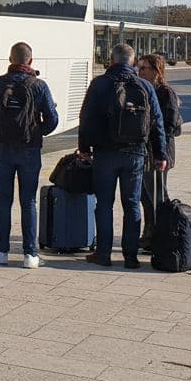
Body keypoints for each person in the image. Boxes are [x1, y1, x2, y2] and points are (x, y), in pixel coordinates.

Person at [77, 43, 167, 269]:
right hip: (135, 153)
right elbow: (157, 122)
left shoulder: (99, 84)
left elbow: (86, 118)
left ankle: (103, 254)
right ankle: (130, 256)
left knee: (104, 204)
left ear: (112, 59)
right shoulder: (145, 86)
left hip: (105, 152)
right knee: (132, 204)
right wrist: (160, 154)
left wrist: (84, 148)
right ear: (133, 61)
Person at [0, 42, 59, 268]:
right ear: (30, 61)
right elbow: (52, 120)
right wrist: (36, 132)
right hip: (29, 149)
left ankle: (2, 252)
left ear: (10, 60)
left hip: (1, 148)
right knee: (29, 201)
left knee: (4, 200)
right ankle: (30, 255)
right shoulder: (39, 85)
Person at [135, 53, 182, 247]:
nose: (140, 71)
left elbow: (169, 125)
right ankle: (150, 232)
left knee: (157, 195)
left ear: (156, 71)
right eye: (139, 68)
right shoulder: (144, 90)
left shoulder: (165, 93)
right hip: (147, 152)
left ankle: (162, 235)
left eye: (144, 68)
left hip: (159, 152)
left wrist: (157, 145)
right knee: (145, 196)